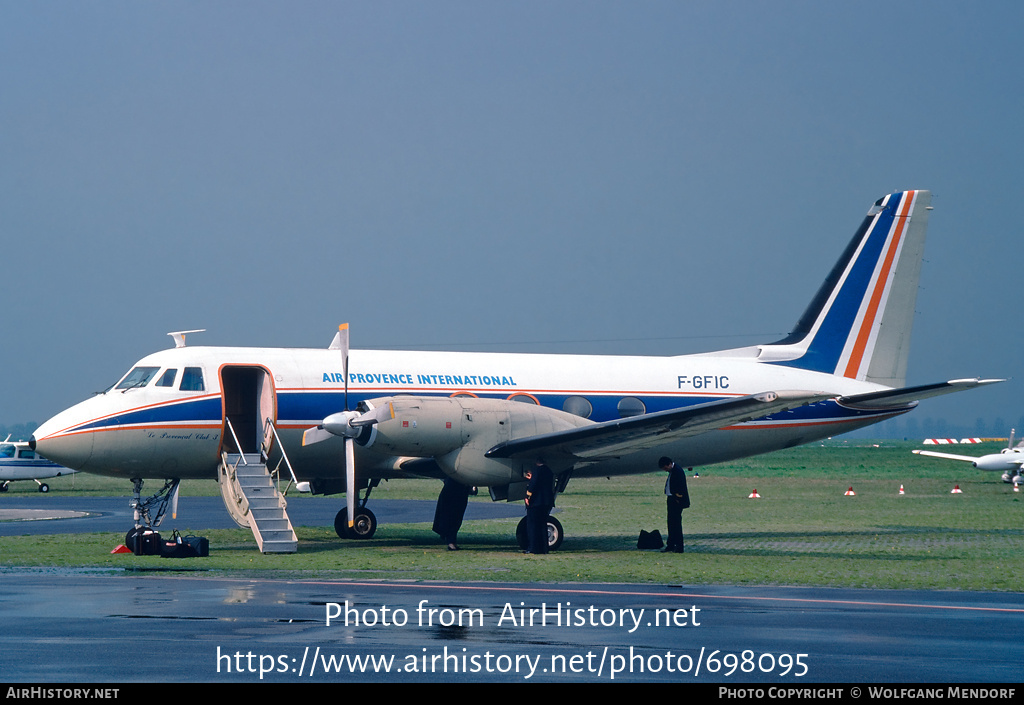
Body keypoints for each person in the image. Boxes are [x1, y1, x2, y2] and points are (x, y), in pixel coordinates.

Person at [658, 456, 690, 553]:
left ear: (669, 464)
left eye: (665, 468)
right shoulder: (673, 471)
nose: (665, 470)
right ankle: (671, 544)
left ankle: (678, 546)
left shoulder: (677, 471)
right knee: (671, 524)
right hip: (672, 499)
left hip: (676, 501)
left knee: (676, 524)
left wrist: (677, 499)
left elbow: (680, 488)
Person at [524, 458, 555, 554]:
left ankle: (533, 548)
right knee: (542, 525)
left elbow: (534, 484)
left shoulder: (537, 470)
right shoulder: (549, 471)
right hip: (546, 502)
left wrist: (528, 497)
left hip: (536, 502)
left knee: (533, 526)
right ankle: (544, 548)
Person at [432, 477, 470, 551]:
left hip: (460, 487)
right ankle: (450, 541)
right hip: (455, 488)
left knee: (457, 516)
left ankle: (450, 540)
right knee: (452, 515)